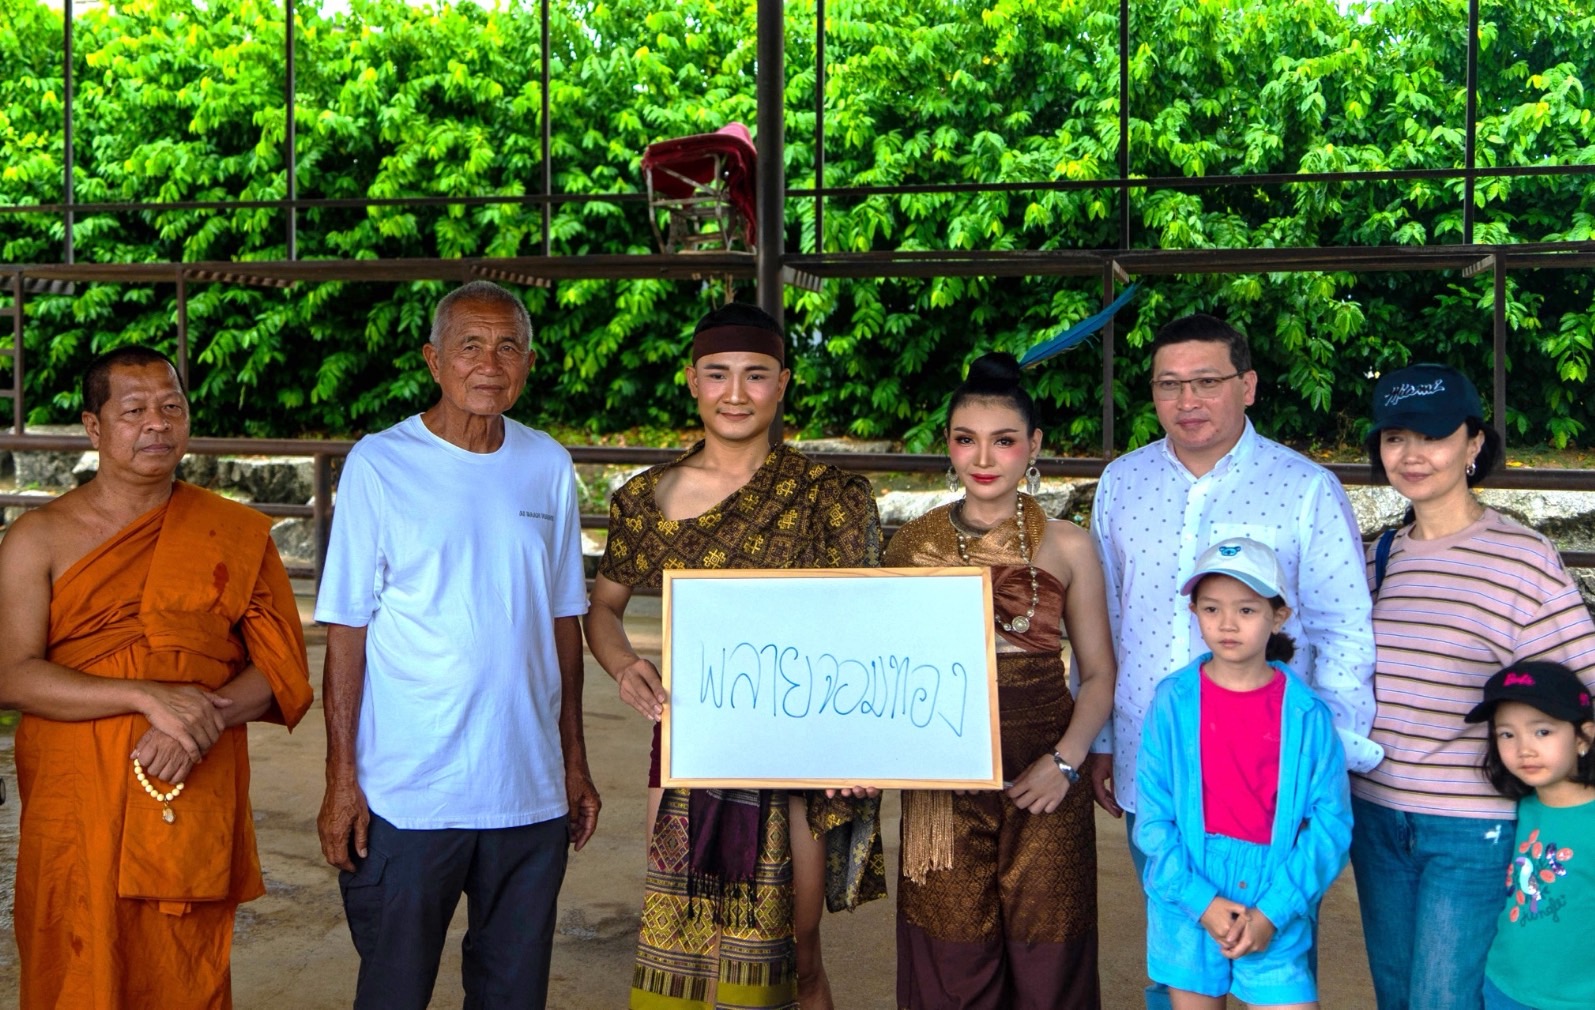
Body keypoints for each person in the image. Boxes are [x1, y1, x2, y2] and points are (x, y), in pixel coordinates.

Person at [584, 302, 885, 1010]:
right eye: (717, 374)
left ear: (782, 384)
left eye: (755, 376)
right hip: (693, 738)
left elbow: (869, 629)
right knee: (689, 936)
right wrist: (625, 664)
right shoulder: (645, 500)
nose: (735, 393)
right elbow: (602, 608)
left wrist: (862, 741)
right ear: (691, 381)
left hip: (803, 745)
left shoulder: (828, 497)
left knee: (797, 949)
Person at [0, 346, 313, 1009]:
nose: (157, 425)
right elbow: (11, 675)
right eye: (135, 410)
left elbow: (280, 666)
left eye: (172, 408)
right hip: (76, 796)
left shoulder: (230, 532)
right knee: (74, 951)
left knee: (181, 965)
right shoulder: (39, 536)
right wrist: (146, 696)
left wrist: (198, 722)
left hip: (188, 788)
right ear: (94, 426)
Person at [315, 280, 599, 1010]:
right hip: (410, 796)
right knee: (394, 990)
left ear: (528, 363)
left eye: (508, 346)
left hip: (528, 797)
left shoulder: (547, 465)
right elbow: (347, 632)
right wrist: (342, 778)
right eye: (469, 345)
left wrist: (573, 761)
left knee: (512, 995)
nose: (489, 363)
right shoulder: (380, 463)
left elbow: (562, 620)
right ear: (433, 360)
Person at [1090, 312, 1379, 1009]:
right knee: (1180, 948)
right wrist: (1100, 738)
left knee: (1270, 953)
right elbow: (1104, 618)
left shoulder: (1303, 487)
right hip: (1158, 761)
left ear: (1246, 386)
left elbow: (1342, 625)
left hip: (1269, 781)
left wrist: (1325, 753)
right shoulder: (1121, 483)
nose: (1186, 401)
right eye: (1168, 385)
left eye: (1206, 382)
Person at [1350, 363, 1595, 1010]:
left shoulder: (1522, 557)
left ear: (1473, 443)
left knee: (1444, 999)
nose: (1410, 454)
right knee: (1397, 996)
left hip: (1471, 825)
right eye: (1394, 436)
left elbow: (1582, 687)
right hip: (1374, 816)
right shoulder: (1376, 556)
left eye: (1430, 435)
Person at [884, 352, 1115, 1009]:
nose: (983, 457)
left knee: (1049, 961)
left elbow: (1098, 674)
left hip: (1043, 770)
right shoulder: (910, 546)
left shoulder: (1068, 545)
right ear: (948, 446)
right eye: (965, 439)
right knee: (949, 962)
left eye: (1003, 440)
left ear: (1033, 446)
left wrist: (1065, 764)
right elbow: (886, 676)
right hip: (940, 780)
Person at [1136, 537, 1352, 1010]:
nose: (1227, 624)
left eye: (1247, 610)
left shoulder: (1306, 715)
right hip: (1190, 893)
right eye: (1212, 609)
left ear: (1279, 616)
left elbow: (1331, 825)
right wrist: (1200, 901)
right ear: (1194, 611)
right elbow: (1153, 819)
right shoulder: (1172, 701)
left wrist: (1273, 912)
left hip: (1274, 890)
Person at [1462, 661, 1595, 1010]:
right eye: (1507, 734)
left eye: (1542, 732)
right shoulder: (1518, 809)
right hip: (1503, 989)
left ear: (1584, 736)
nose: (1524, 748)